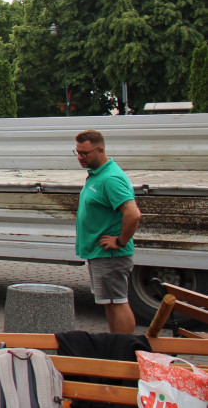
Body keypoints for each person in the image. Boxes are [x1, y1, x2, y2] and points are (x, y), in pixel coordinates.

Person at [74, 129, 142, 334]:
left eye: (84, 153)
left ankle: (124, 350)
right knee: (110, 303)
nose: (80, 157)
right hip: (99, 253)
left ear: (100, 150)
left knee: (117, 302)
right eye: (77, 152)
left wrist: (120, 241)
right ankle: (116, 347)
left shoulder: (111, 178)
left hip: (111, 254)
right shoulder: (98, 175)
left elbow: (133, 214)